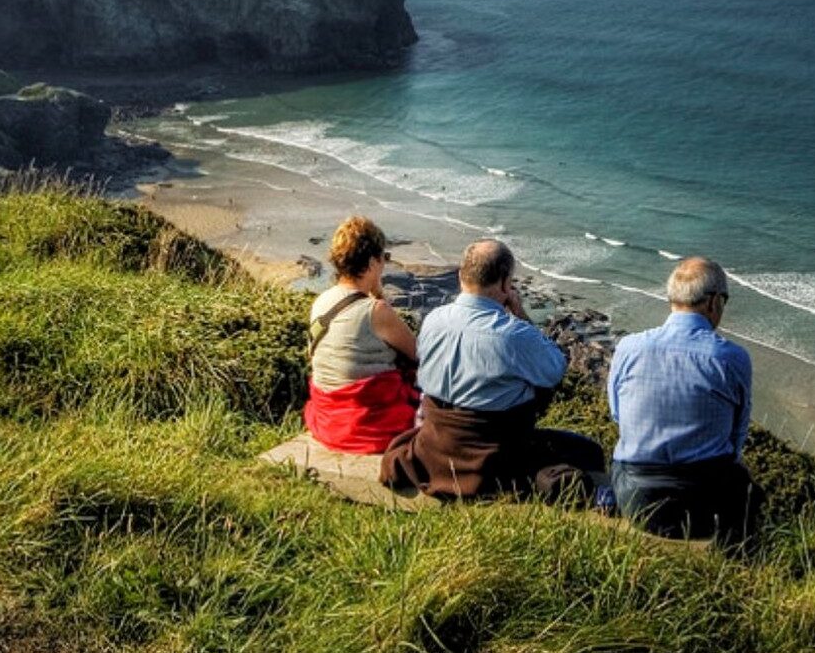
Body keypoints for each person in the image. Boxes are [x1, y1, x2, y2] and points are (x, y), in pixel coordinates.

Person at [380, 239, 604, 501]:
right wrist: (520, 313)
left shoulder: (434, 319)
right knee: (589, 451)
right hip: (492, 453)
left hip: (436, 445)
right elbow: (555, 368)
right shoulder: (513, 334)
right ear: (504, 283)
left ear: (462, 276)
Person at [607, 257, 758, 542]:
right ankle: (742, 565)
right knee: (747, 489)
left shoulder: (628, 348)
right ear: (713, 302)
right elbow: (736, 438)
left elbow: (618, 415)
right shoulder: (731, 357)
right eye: (725, 299)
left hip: (635, 498)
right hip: (703, 504)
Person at [303, 216, 421, 454]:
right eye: (383, 258)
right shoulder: (377, 311)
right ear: (371, 262)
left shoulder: (321, 301)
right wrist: (379, 296)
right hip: (365, 422)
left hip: (328, 418)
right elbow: (419, 354)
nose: (384, 265)